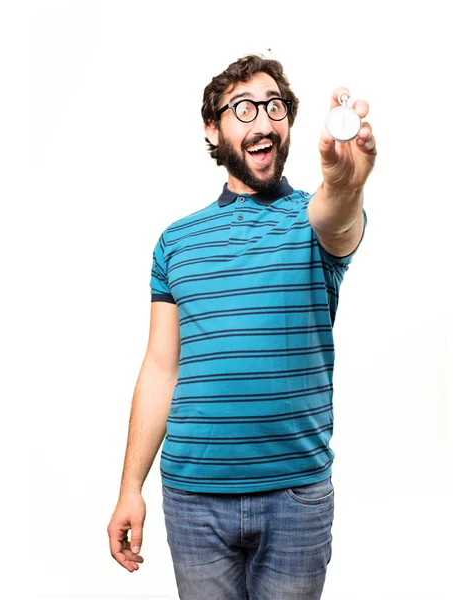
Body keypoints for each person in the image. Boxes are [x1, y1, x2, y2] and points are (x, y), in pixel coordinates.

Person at [107, 53, 377, 599]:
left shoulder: (312, 218)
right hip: (193, 500)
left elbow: (338, 217)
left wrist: (347, 185)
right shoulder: (175, 242)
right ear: (214, 126)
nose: (263, 122)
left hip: (295, 499)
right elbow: (162, 366)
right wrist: (129, 487)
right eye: (244, 108)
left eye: (275, 107)